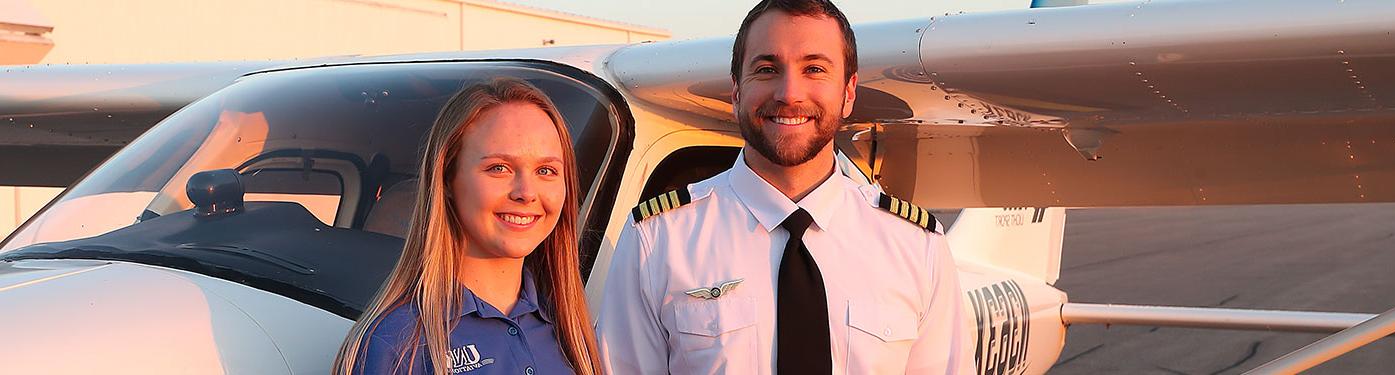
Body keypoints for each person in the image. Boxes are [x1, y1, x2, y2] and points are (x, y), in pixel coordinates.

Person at [597, 0, 973, 374]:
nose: (789, 94)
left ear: (848, 92)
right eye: (766, 69)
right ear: (736, 91)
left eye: (814, 69)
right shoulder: (658, 240)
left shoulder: (917, 246)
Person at [333, 78, 600, 375]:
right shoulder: (398, 344)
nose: (527, 192)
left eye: (546, 170)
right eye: (499, 168)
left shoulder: (570, 331)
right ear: (447, 179)